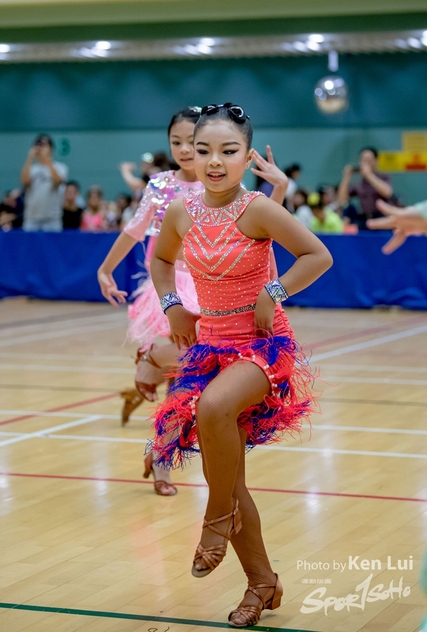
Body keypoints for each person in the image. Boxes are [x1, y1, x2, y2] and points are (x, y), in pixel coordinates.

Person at [148, 103, 332, 626]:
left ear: (246, 157)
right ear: (188, 153)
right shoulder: (181, 211)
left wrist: (274, 292)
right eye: (203, 150)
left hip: (261, 347)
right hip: (209, 346)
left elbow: (318, 256)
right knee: (230, 479)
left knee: (212, 407)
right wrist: (172, 304)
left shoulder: (258, 209)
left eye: (228, 151)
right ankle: (262, 584)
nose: (214, 161)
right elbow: (161, 260)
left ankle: (215, 520)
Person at [97, 106, 290, 496]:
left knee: (192, 385)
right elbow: (135, 230)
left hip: (220, 290)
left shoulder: (227, 185)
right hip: (174, 288)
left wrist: (280, 190)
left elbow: (261, 236)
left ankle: (157, 417)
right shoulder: (163, 187)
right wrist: (105, 269)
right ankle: (161, 448)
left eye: (193, 143)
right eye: (178, 143)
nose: (186, 150)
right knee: (186, 376)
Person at [21, 134, 68, 231]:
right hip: (31, 219)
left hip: (52, 219)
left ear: (51, 148)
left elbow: (58, 181)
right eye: (38, 144)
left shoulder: (60, 167)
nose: (40, 148)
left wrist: (48, 160)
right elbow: (24, 181)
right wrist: (30, 158)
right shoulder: (32, 168)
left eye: (44, 145)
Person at [338, 147, 392, 225]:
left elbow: (387, 192)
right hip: (365, 220)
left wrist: (369, 175)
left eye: (368, 160)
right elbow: (342, 199)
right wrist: (346, 177)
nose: (365, 163)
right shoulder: (359, 182)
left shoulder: (383, 176)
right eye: (363, 160)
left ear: (376, 161)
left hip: (382, 219)